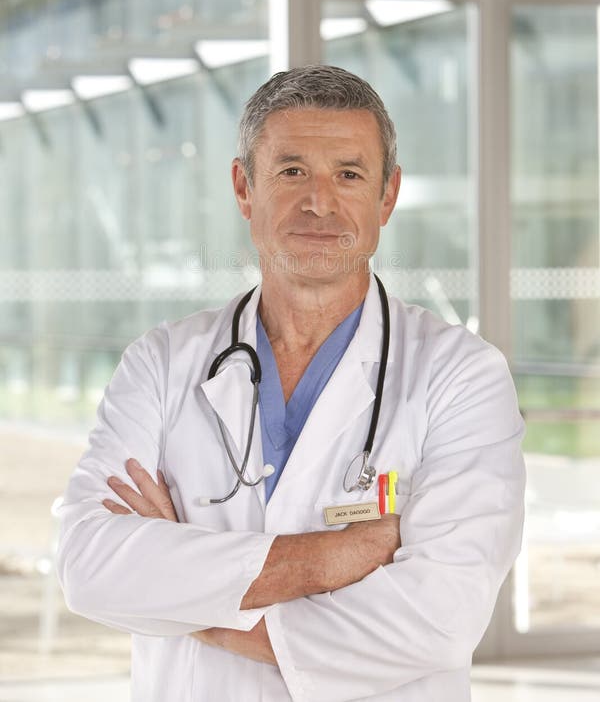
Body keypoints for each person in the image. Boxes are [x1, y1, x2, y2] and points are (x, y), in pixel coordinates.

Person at [56, 65, 526, 702]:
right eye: (292, 171)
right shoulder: (163, 362)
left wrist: (185, 592)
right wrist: (328, 560)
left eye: (350, 175)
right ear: (244, 188)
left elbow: (440, 619)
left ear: (387, 197)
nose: (320, 202)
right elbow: (90, 567)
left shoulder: (461, 376)